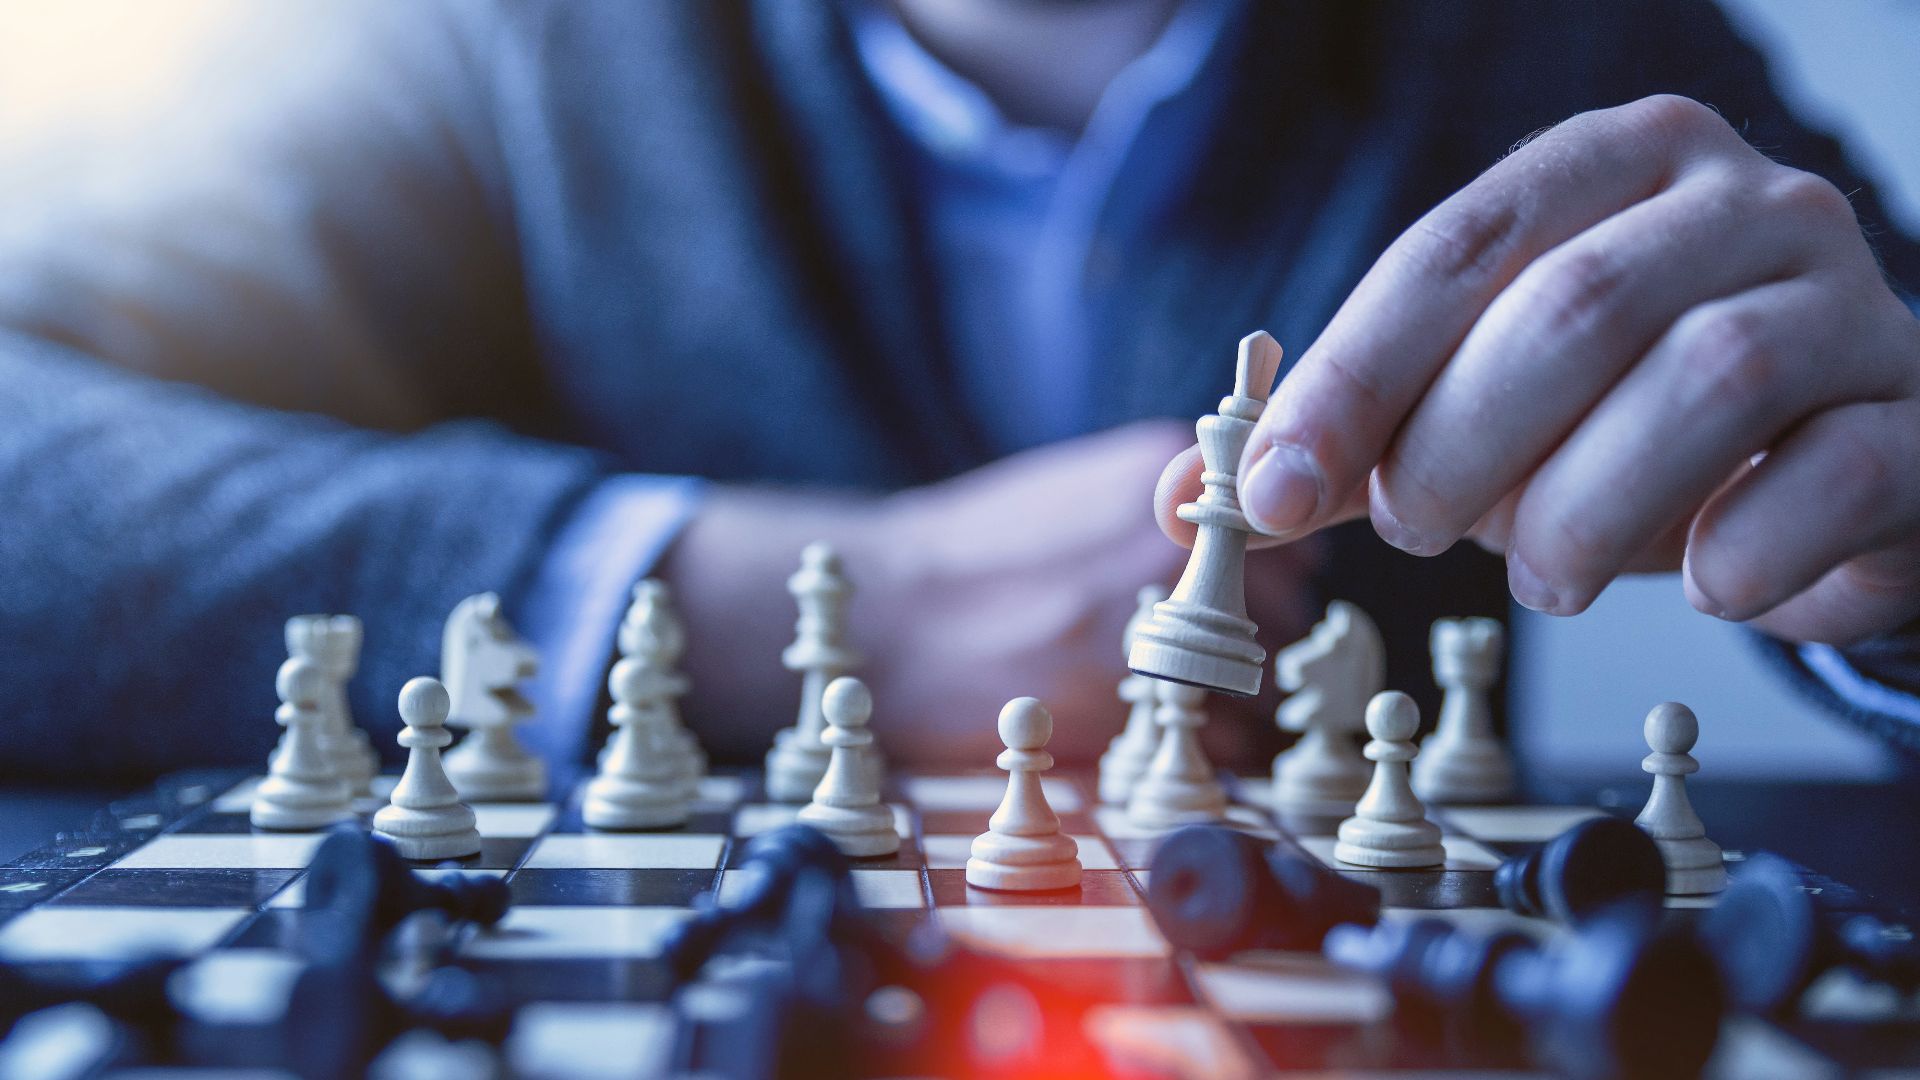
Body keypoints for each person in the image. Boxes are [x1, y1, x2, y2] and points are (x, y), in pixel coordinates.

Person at [0, 0, 1913, 783]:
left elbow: (1870, 400)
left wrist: (1906, 579)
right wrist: (784, 605)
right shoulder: (473, 46)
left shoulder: (1557, 44)